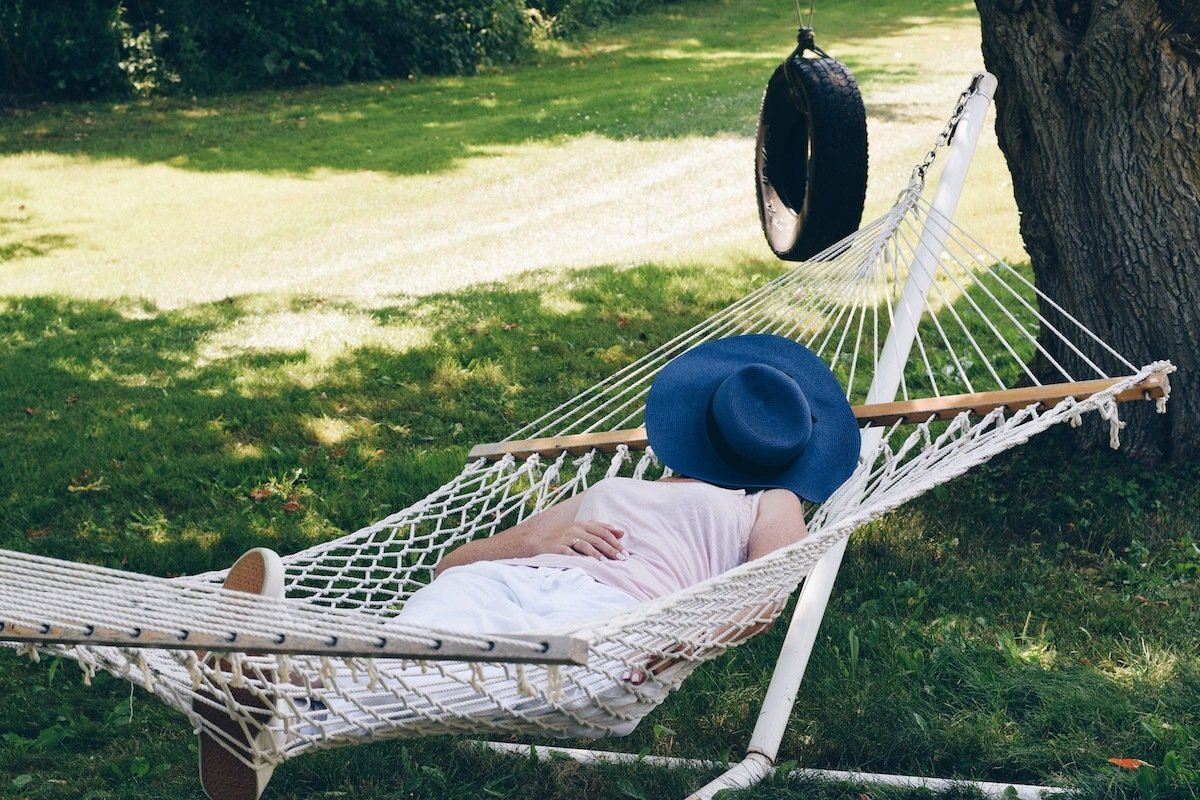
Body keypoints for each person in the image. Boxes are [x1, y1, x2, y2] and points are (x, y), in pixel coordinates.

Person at [195, 333, 861, 800]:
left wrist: (679, 642)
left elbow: (765, 589)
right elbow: (451, 562)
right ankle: (277, 710)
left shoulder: (766, 500)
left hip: (616, 625)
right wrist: (539, 546)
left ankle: (269, 680)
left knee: (483, 668)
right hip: (513, 583)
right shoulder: (616, 490)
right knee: (430, 637)